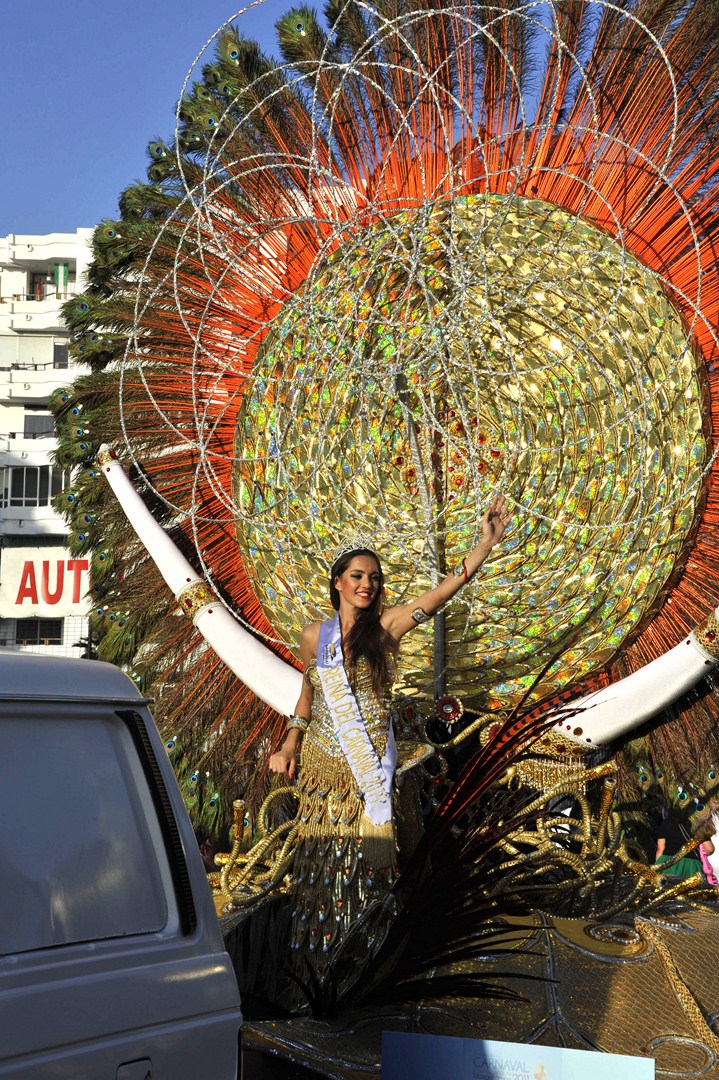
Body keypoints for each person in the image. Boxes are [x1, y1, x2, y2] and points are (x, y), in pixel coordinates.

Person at [268, 495, 509, 982]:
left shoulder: (388, 626)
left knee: (371, 872)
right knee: (321, 868)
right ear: (337, 581)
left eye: (374, 578)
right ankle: (314, 979)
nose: (366, 585)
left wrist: (483, 545)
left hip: (370, 775)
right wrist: (291, 742)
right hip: (321, 774)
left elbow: (440, 594)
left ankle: (368, 975)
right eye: (357, 576)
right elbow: (307, 694)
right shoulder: (314, 636)